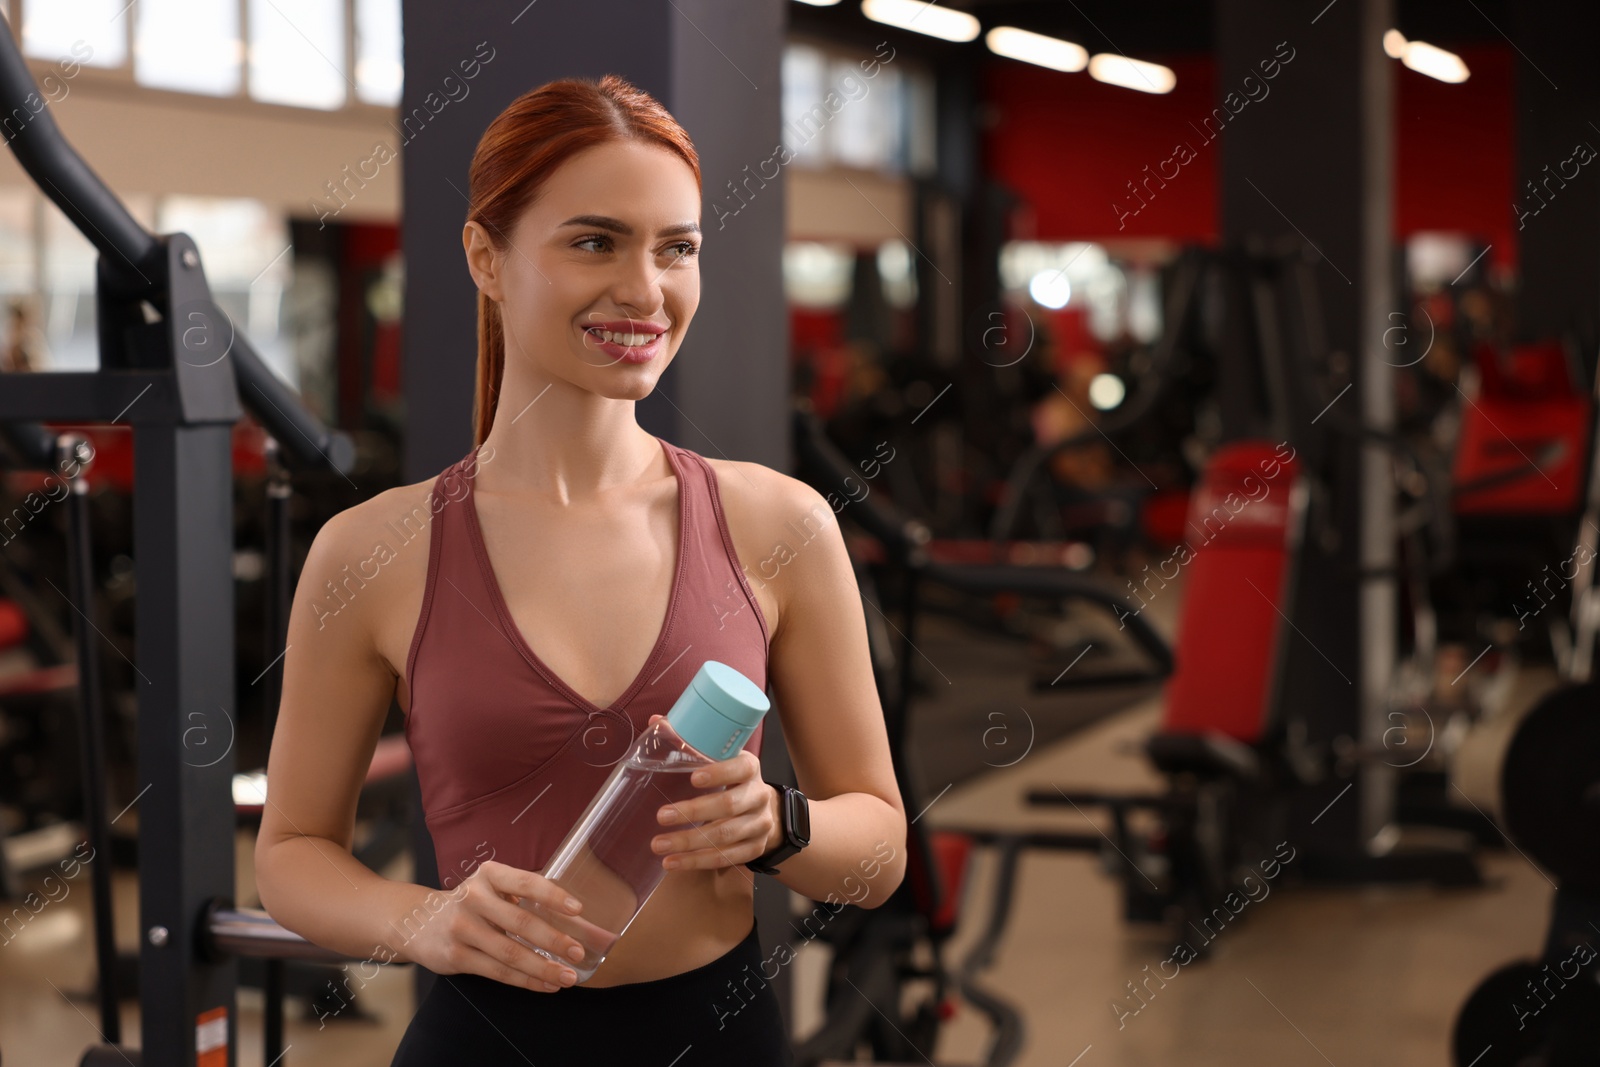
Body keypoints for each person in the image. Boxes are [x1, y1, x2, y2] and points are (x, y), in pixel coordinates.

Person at [252, 74, 907, 1066]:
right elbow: (293, 853)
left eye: (676, 247)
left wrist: (779, 822)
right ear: (486, 255)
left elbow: (880, 851)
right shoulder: (373, 551)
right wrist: (423, 919)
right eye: (594, 241)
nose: (645, 291)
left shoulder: (781, 523)